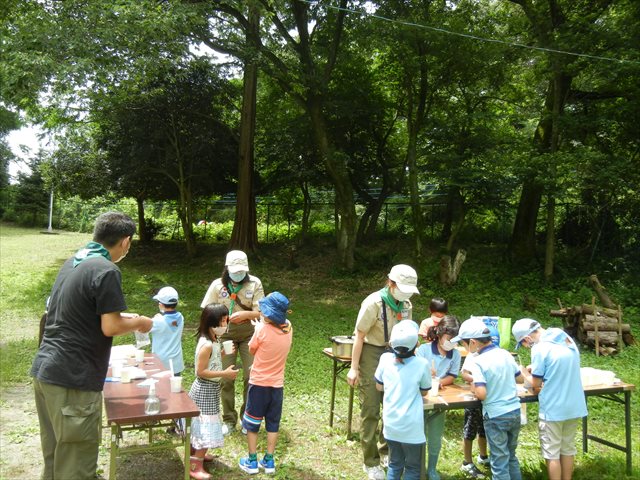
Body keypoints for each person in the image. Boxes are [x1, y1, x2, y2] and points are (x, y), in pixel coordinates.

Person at [31, 211, 153, 480]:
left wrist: (125, 318)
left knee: (55, 460)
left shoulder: (75, 261)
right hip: (72, 380)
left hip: (46, 372)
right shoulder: (107, 269)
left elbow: (81, 311)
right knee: (75, 467)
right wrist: (140, 322)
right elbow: (110, 327)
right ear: (126, 241)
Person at [346, 264, 420, 480]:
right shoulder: (373, 303)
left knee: (393, 403)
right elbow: (359, 336)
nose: (405, 294)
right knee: (370, 408)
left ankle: (386, 451)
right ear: (391, 283)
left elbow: (406, 332)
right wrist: (353, 368)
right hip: (371, 352)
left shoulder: (406, 304)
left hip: (396, 353)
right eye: (402, 288)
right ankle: (370, 462)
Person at [512, 318, 587, 480]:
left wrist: (523, 371)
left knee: (551, 452)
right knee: (567, 449)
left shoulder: (539, 348)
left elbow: (535, 383)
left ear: (526, 338)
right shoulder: (563, 336)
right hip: (574, 404)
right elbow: (557, 365)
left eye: (523, 344)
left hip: (553, 407)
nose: (526, 347)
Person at [200, 250, 264, 434]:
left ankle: (248, 418)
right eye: (235, 271)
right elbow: (207, 312)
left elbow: (261, 313)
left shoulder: (255, 283)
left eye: (241, 271)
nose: (238, 274)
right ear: (227, 268)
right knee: (226, 377)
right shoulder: (217, 285)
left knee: (251, 376)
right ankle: (228, 419)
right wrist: (212, 337)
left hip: (249, 335)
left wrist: (246, 314)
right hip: (224, 336)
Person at [451, 318, 522, 480]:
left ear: (473, 343)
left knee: (499, 461)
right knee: (511, 456)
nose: (464, 348)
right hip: (514, 412)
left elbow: (481, 394)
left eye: (463, 344)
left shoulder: (478, 361)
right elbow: (520, 379)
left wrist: (475, 387)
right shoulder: (505, 354)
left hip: (496, 416)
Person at [238, 292, 293, 475]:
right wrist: (261, 326)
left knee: (252, 423)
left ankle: (252, 461)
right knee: (272, 423)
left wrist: (257, 330)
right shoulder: (289, 328)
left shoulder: (261, 330)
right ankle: (269, 460)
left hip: (259, 384)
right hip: (277, 386)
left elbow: (252, 349)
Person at [374, 321, 431, 480]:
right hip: (411, 426)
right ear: (416, 345)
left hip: (391, 423)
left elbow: (379, 387)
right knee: (412, 467)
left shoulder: (385, 359)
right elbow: (425, 391)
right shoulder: (421, 364)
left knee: (395, 463)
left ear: (392, 344)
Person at [188, 303, 239, 480]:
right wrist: (225, 373)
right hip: (204, 390)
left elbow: (212, 360)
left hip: (210, 389)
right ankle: (195, 465)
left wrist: (224, 354)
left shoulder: (214, 341)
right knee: (206, 427)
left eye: (226, 320)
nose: (226, 324)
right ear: (212, 323)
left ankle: (196, 455)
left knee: (202, 426)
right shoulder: (207, 345)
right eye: (223, 321)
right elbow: (200, 371)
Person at [415, 315, 461, 480]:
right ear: (440, 334)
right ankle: (416, 468)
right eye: (449, 339)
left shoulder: (454, 355)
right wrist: (428, 376)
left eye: (456, 340)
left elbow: (452, 376)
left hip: (440, 400)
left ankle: (432, 468)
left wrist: (440, 381)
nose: (452, 343)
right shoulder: (424, 350)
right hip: (421, 399)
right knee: (418, 435)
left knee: (435, 437)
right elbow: (416, 374)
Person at [459, 351, 489, 479]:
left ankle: (483, 456)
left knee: (484, 428)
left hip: (490, 398)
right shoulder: (472, 356)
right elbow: (464, 373)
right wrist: (476, 379)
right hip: (474, 397)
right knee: (470, 428)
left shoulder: (496, 354)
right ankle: (467, 462)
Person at [149, 286, 184, 375]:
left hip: (161, 362)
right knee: (175, 387)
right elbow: (170, 322)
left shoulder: (157, 321)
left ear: (161, 305)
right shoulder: (180, 317)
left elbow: (143, 329)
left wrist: (155, 318)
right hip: (176, 362)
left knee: (162, 387)